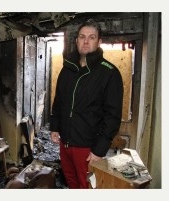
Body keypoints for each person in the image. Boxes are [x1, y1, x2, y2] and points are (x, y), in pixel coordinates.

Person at [50, 19, 123, 189]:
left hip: (87, 146)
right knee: (72, 183)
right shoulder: (67, 69)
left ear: (99, 42)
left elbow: (113, 116)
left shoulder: (109, 73)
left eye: (91, 37)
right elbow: (59, 100)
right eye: (82, 37)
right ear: (76, 41)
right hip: (65, 143)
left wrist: (99, 149)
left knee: (87, 186)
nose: (85, 41)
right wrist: (54, 126)